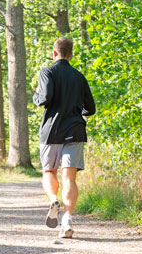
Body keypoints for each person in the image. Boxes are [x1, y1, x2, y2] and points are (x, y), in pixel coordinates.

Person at [32, 37, 96, 238]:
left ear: (54, 53)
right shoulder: (79, 77)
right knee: (69, 177)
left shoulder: (47, 72)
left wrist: (35, 97)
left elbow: (44, 98)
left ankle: (53, 198)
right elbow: (90, 109)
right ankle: (67, 219)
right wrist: (75, 111)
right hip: (75, 130)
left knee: (49, 171)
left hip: (51, 131)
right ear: (71, 55)